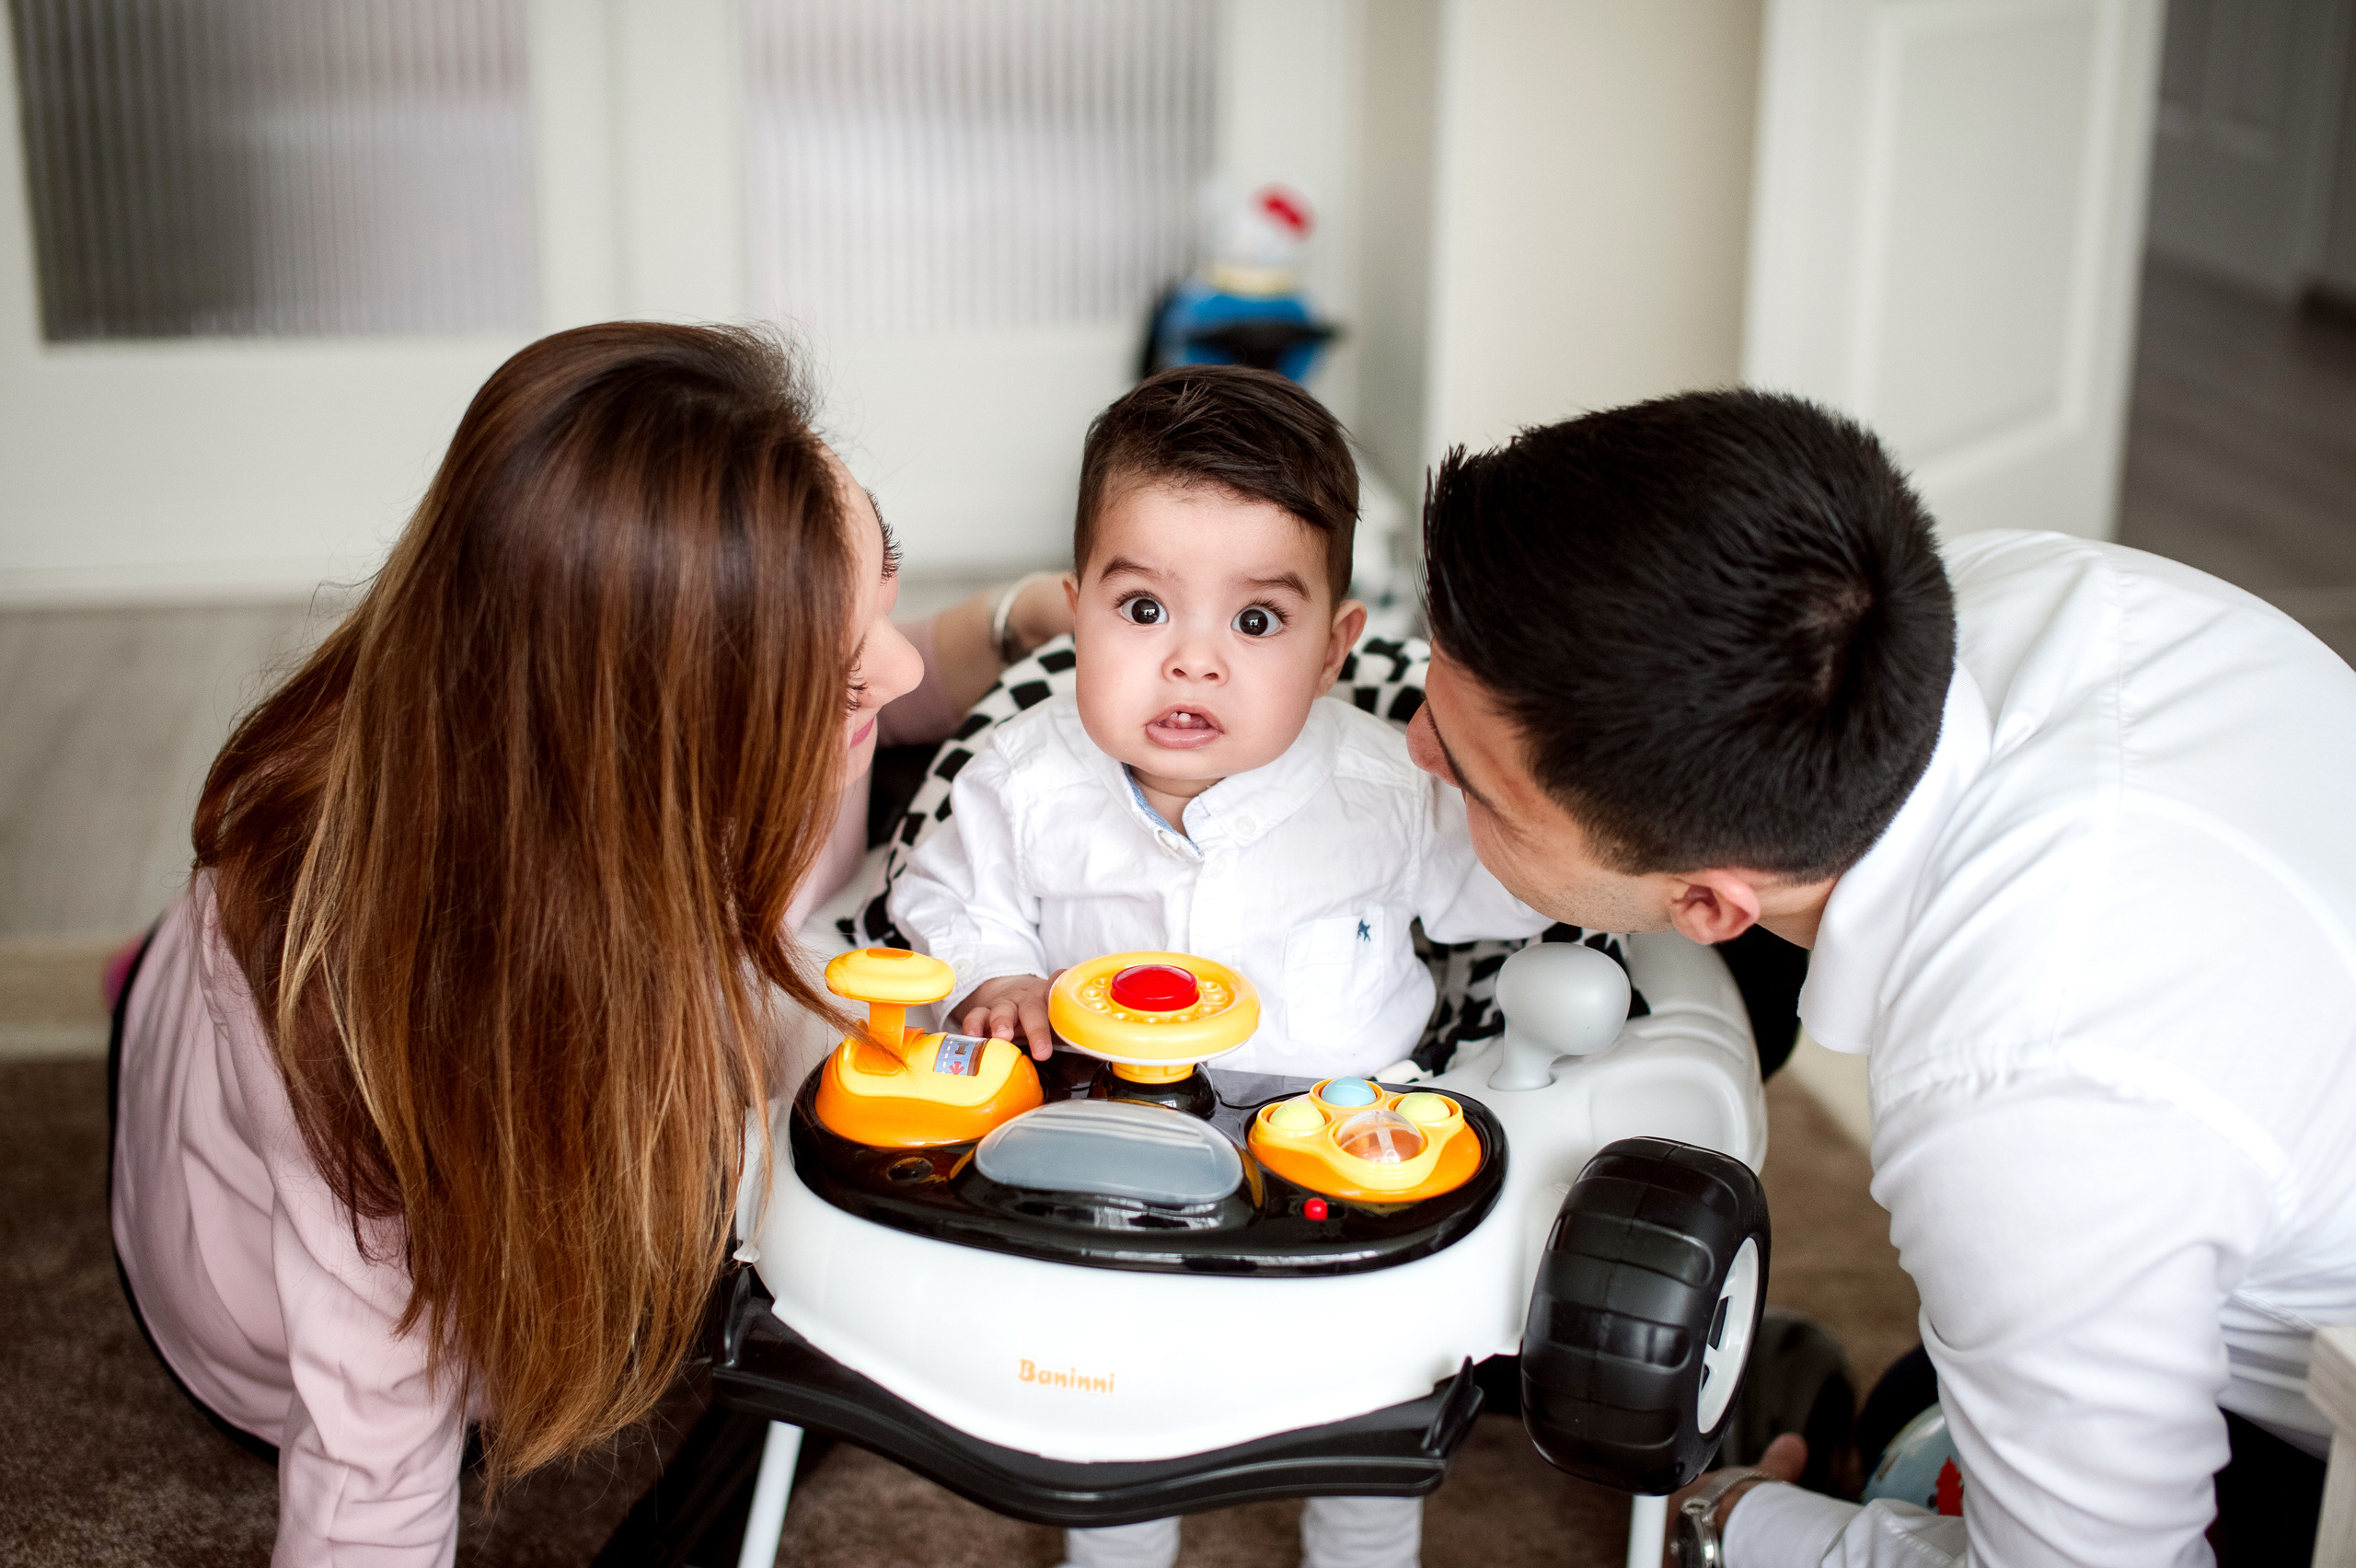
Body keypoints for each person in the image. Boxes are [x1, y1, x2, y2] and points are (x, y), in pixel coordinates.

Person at [107, 322, 1065, 1567]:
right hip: (261, 1311)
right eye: (832, 683)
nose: (893, 662)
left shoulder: (531, 669)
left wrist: (1010, 621)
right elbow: (369, 1463)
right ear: (656, 748)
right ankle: (183, 1039)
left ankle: (164, 1004)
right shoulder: (390, 1011)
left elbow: (885, 666)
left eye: (885, 573)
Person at [1402, 388, 2356, 1566]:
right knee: (1921, 1386)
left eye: (1472, 783)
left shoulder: (2024, 1088)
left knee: (1915, 1441)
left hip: (2328, 1424)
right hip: (2249, 1133)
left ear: (1710, 906)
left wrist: (1740, 1525)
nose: (1414, 747)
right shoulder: (1967, 603)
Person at [890, 364, 1550, 1568]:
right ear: (1078, 607)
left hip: (1343, 1155)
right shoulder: (1026, 777)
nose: (1192, 663)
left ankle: (1360, 1544)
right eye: (1143, 612)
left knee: (1368, 1392)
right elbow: (941, 897)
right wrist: (993, 973)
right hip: (1112, 1148)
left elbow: (1515, 885)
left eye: (1256, 622)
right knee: (1114, 1389)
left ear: (1335, 646)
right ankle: (1121, 1542)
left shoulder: (1390, 789)